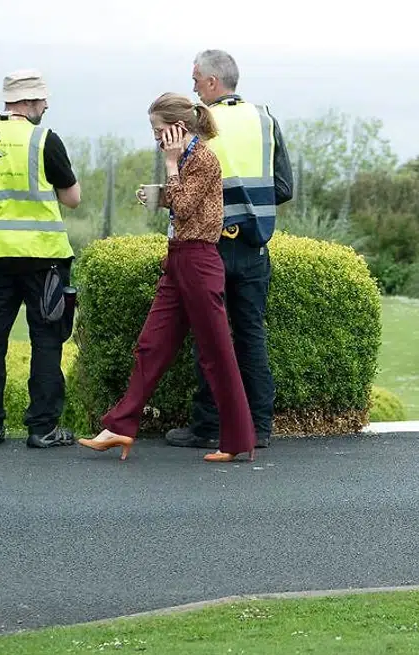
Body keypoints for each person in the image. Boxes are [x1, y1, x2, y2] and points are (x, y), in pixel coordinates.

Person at [78, 94, 256, 463]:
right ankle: (120, 426)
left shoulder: (201, 158)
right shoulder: (186, 158)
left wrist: (171, 165)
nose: (155, 136)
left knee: (217, 353)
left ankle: (238, 439)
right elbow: (186, 204)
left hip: (199, 262)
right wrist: (160, 195)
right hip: (178, 259)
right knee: (151, 345)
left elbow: (186, 207)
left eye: (158, 129)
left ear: (177, 127)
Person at [162, 49, 293, 451]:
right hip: (253, 246)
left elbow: (184, 196)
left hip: (208, 246)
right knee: (251, 335)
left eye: (196, 80)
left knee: (210, 338)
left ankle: (207, 427)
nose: (194, 88)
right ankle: (260, 428)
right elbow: (283, 187)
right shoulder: (265, 119)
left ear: (212, 82)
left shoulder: (197, 122)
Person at [0, 69, 80, 449]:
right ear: (30, 101)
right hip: (44, 259)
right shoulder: (44, 139)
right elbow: (73, 199)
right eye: (43, 99)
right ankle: (42, 428)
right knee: (46, 340)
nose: (47, 105)